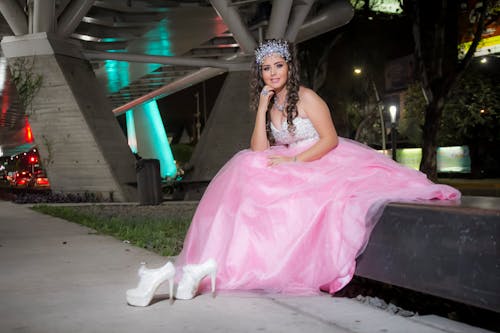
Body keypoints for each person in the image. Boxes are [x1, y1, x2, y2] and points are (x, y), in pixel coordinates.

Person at [126, 39, 460, 305]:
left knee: (290, 196)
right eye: (267, 68)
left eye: (278, 65)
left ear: (289, 67)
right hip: (288, 162)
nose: (273, 73)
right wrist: (261, 108)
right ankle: (213, 262)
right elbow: (258, 150)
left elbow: (329, 140)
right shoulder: (270, 105)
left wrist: (296, 163)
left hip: (321, 159)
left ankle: (220, 267)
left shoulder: (309, 98)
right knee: (246, 166)